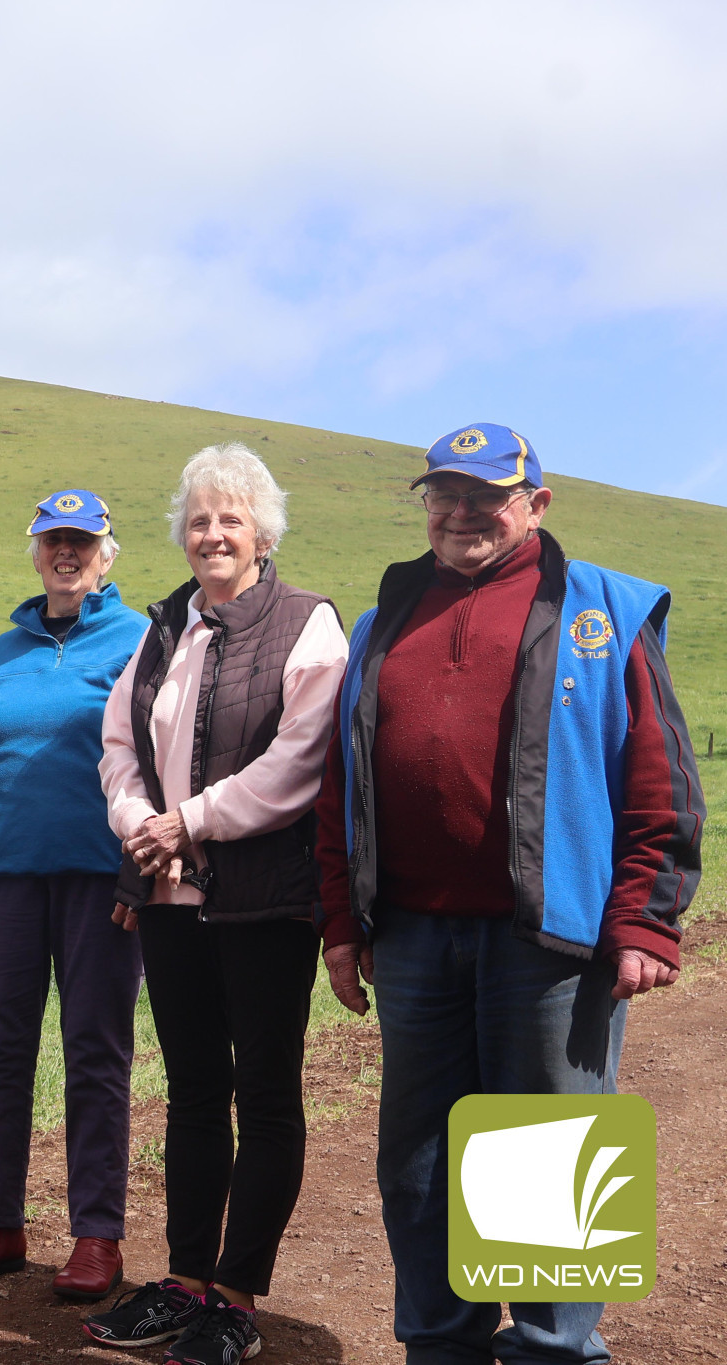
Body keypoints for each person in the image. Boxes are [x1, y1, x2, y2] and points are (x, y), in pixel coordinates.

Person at [316, 424, 702, 1365]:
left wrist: (647, 919)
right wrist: (340, 923)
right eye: (443, 494)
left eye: (486, 495)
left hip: (553, 937)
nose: (461, 513)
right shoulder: (383, 619)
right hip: (410, 938)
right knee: (418, 1162)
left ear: (535, 502)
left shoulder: (601, 609)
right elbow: (343, 788)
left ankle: (556, 1350)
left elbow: (660, 780)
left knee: (549, 1156)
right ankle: (441, 1347)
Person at [85, 446, 349, 1365]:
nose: (212, 533)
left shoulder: (309, 624)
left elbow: (300, 762)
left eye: (231, 518)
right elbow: (119, 742)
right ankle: (187, 1277)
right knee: (194, 1091)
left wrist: (189, 820)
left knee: (266, 1093)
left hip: (266, 900)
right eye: (199, 519)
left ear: (263, 532)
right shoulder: (162, 629)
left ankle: (236, 1297)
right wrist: (141, 824)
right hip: (169, 896)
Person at [0, 489, 146, 1299]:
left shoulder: (139, 640)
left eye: (82, 541)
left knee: (95, 1053)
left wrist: (145, 864)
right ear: (35, 549)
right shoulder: (1, 653)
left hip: (101, 882)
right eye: (53, 539)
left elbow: (156, 760)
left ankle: (97, 1233)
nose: (67, 552)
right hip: (2, 881)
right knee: (0, 1052)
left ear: (107, 553)